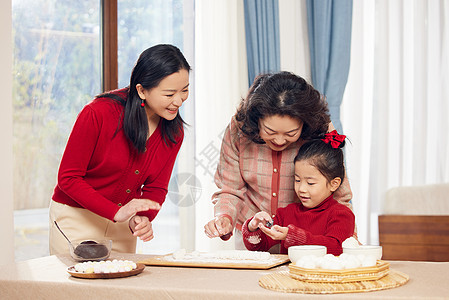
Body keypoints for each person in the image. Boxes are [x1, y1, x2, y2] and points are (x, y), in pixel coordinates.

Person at [49, 44, 190, 254]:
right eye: (169, 94)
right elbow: (69, 178)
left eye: (185, 90)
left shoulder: (174, 132)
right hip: (77, 219)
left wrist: (143, 217)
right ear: (142, 90)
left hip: (123, 226)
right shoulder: (98, 113)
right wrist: (116, 212)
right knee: (80, 285)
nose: (178, 101)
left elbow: (156, 189)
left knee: (120, 285)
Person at [204, 71, 353, 250]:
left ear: (304, 125)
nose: (280, 140)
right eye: (270, 131)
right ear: (256, 121)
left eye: (291, 134)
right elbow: (229, 188)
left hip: (309, 239)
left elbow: (339, 193)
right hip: (255, 235)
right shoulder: (240, 129)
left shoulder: (319, 130)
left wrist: (349, 240)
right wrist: (224, 218)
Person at [242, 131, 355, 255]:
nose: (301, 188)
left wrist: (293, 237)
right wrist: (253, 227)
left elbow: (336, 248)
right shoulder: (286, 214)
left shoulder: (341, 214)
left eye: (310, 183)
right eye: (297, 180)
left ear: (334, 184)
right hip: (291, 274)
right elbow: (259, 246)